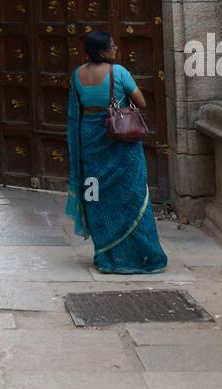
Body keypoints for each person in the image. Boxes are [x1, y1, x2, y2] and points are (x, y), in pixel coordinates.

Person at [66, 29, 167, 274]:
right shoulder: (118, 72)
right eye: (112, 46)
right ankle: (146, 256)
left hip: (90, 143)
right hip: (121, 144)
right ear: (102, 51)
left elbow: (75, 111)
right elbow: (141, 102)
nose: (115, 48)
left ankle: (105, 257)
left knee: (97, 199)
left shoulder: (77, 75)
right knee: (133, 198)